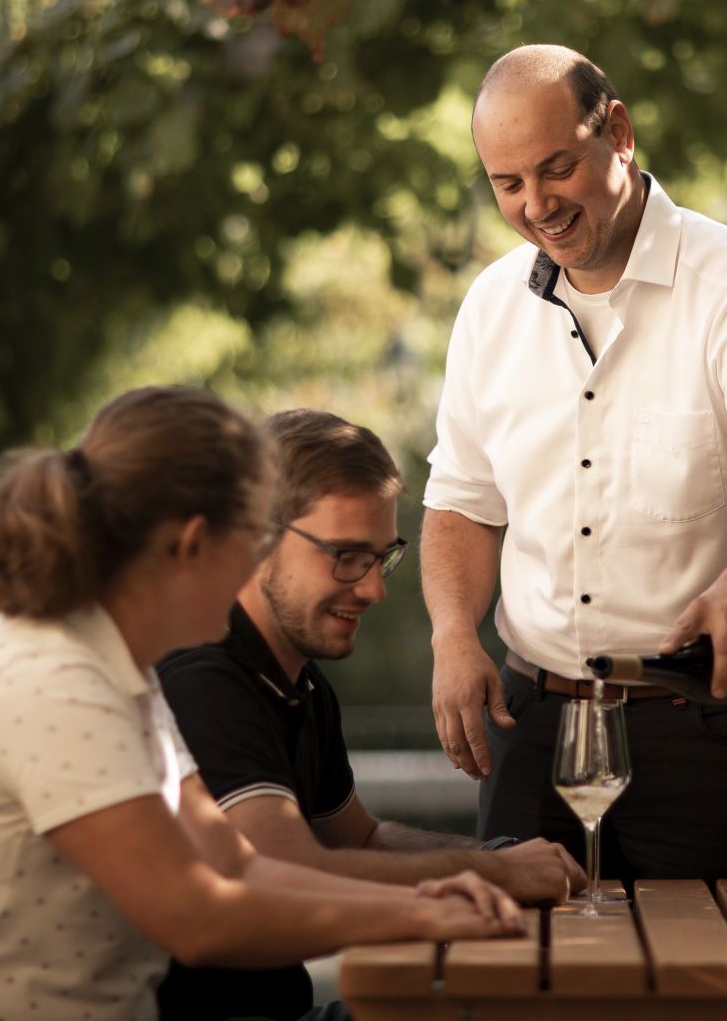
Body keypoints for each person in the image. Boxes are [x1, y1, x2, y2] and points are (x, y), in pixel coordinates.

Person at [0, 387, 522, 1021]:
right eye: (250, 541)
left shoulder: (119, 672)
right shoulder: (54, 678)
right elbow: (199, 919)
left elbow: (235, 865)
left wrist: (439, 891)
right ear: (190, 542)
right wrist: (421, 912)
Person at [422, 44, 727, 880]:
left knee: (713, 989)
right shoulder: (490, 306)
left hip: (719, 735)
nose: (537, 205)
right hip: (536, 729)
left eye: (556, 167)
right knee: (522, 989)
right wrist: (454, 633)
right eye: (508, 184)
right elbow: (460, 500)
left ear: (620, 134)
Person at [156, 409, 584, 1020]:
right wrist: (489, 876)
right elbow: (283, 868)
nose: (373, 589)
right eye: (346, 555)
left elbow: (358, 838)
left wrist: (495, 859)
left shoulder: (299, 681)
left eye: (381, 557)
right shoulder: (204, 675)